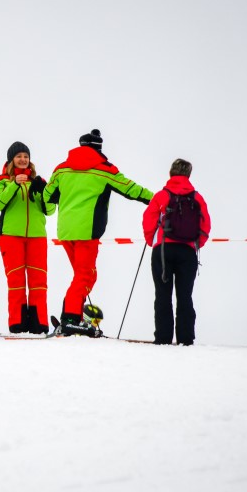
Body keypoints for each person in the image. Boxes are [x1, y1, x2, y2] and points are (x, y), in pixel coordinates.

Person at [44, 128, 153, 336]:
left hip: (65, 231)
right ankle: (70, 319)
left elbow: (47, 196)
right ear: (99, 148)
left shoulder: (61, 169)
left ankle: (71, 315)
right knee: (85, 276)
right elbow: (132, 189)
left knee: (83, 276)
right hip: (88, 230)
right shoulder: (104, 169)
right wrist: (158, 200)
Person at [142, 159, 211, 345]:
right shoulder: (197, 198)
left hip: (163, 250)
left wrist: (152, 241)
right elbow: (205, 225)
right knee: (185, 296)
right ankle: (186, 338)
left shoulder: (161, 196)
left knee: (163, 295)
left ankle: (163, 338)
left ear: (171, 173)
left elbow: (148, 220)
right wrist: (196, 245)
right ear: (189, 174)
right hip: (187, 252)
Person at [0, 141, 55, 334]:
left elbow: (50, 210)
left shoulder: (37, 181)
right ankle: (17, 324)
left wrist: (45, 192)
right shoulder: (2, 181)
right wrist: (14, 185)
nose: (23, 159)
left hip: (37, 236)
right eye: (19, 156)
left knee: (39, 282)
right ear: (11, 160)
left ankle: (39, 324)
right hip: (11, 236)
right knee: (16, 281)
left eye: (26, 156)